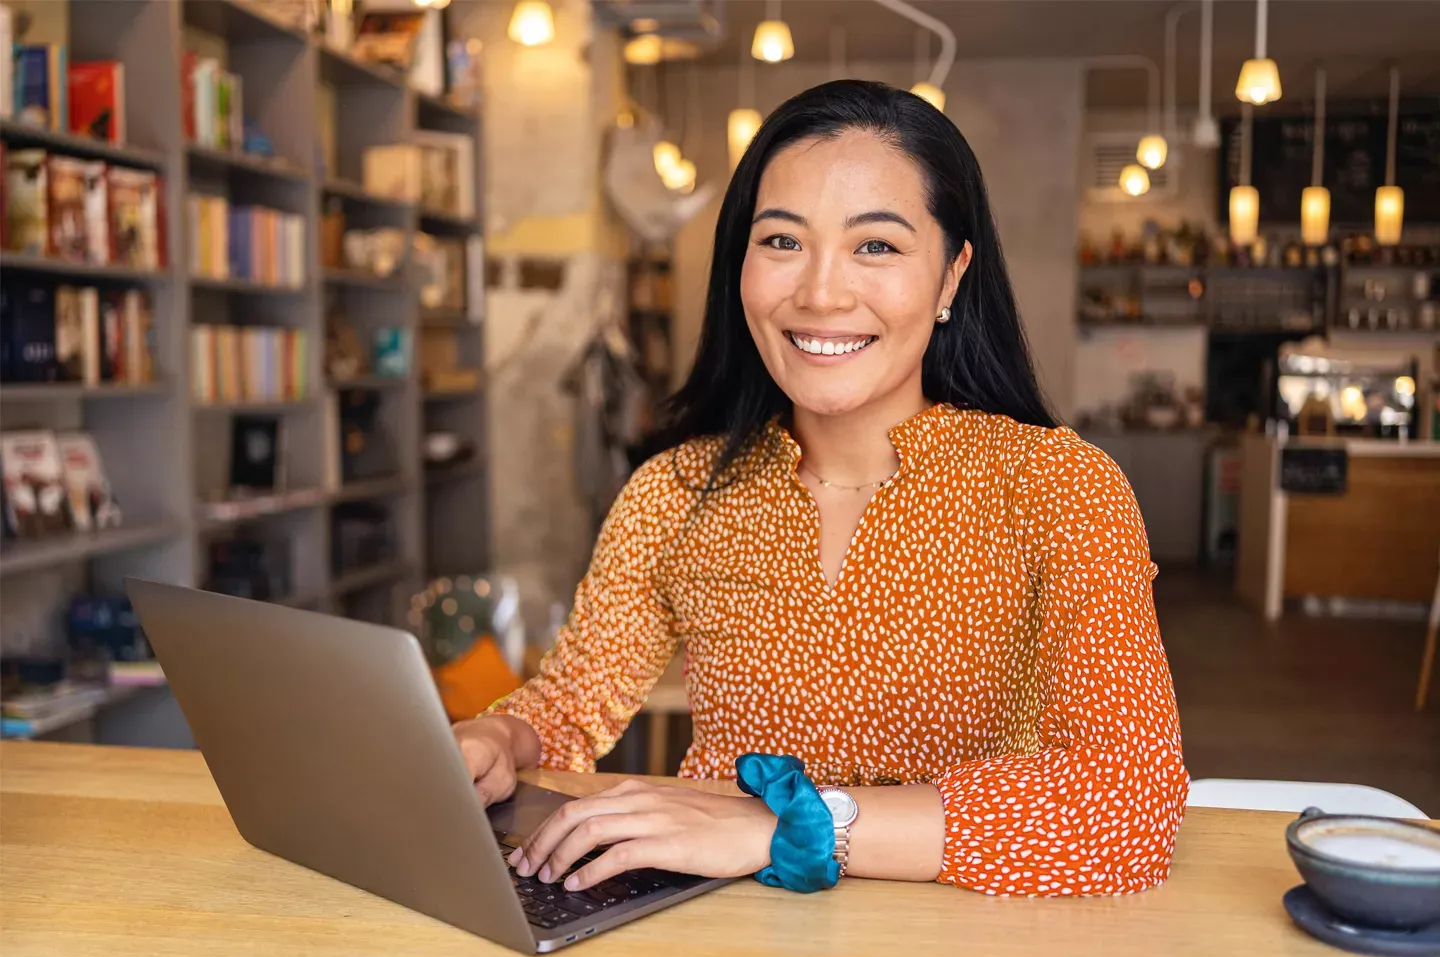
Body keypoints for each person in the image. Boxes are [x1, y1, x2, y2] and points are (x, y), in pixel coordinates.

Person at [453, 79, 1188, 899]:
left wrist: (791, 825)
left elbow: (1132, 801)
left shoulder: (1057, 486)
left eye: (876, 246)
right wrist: (501, 735)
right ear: (741, 265)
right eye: (781, 242)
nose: (821, 293)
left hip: (962, 933)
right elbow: (570, 704)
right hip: (717, 926)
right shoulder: (675, 491)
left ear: (951, 277)